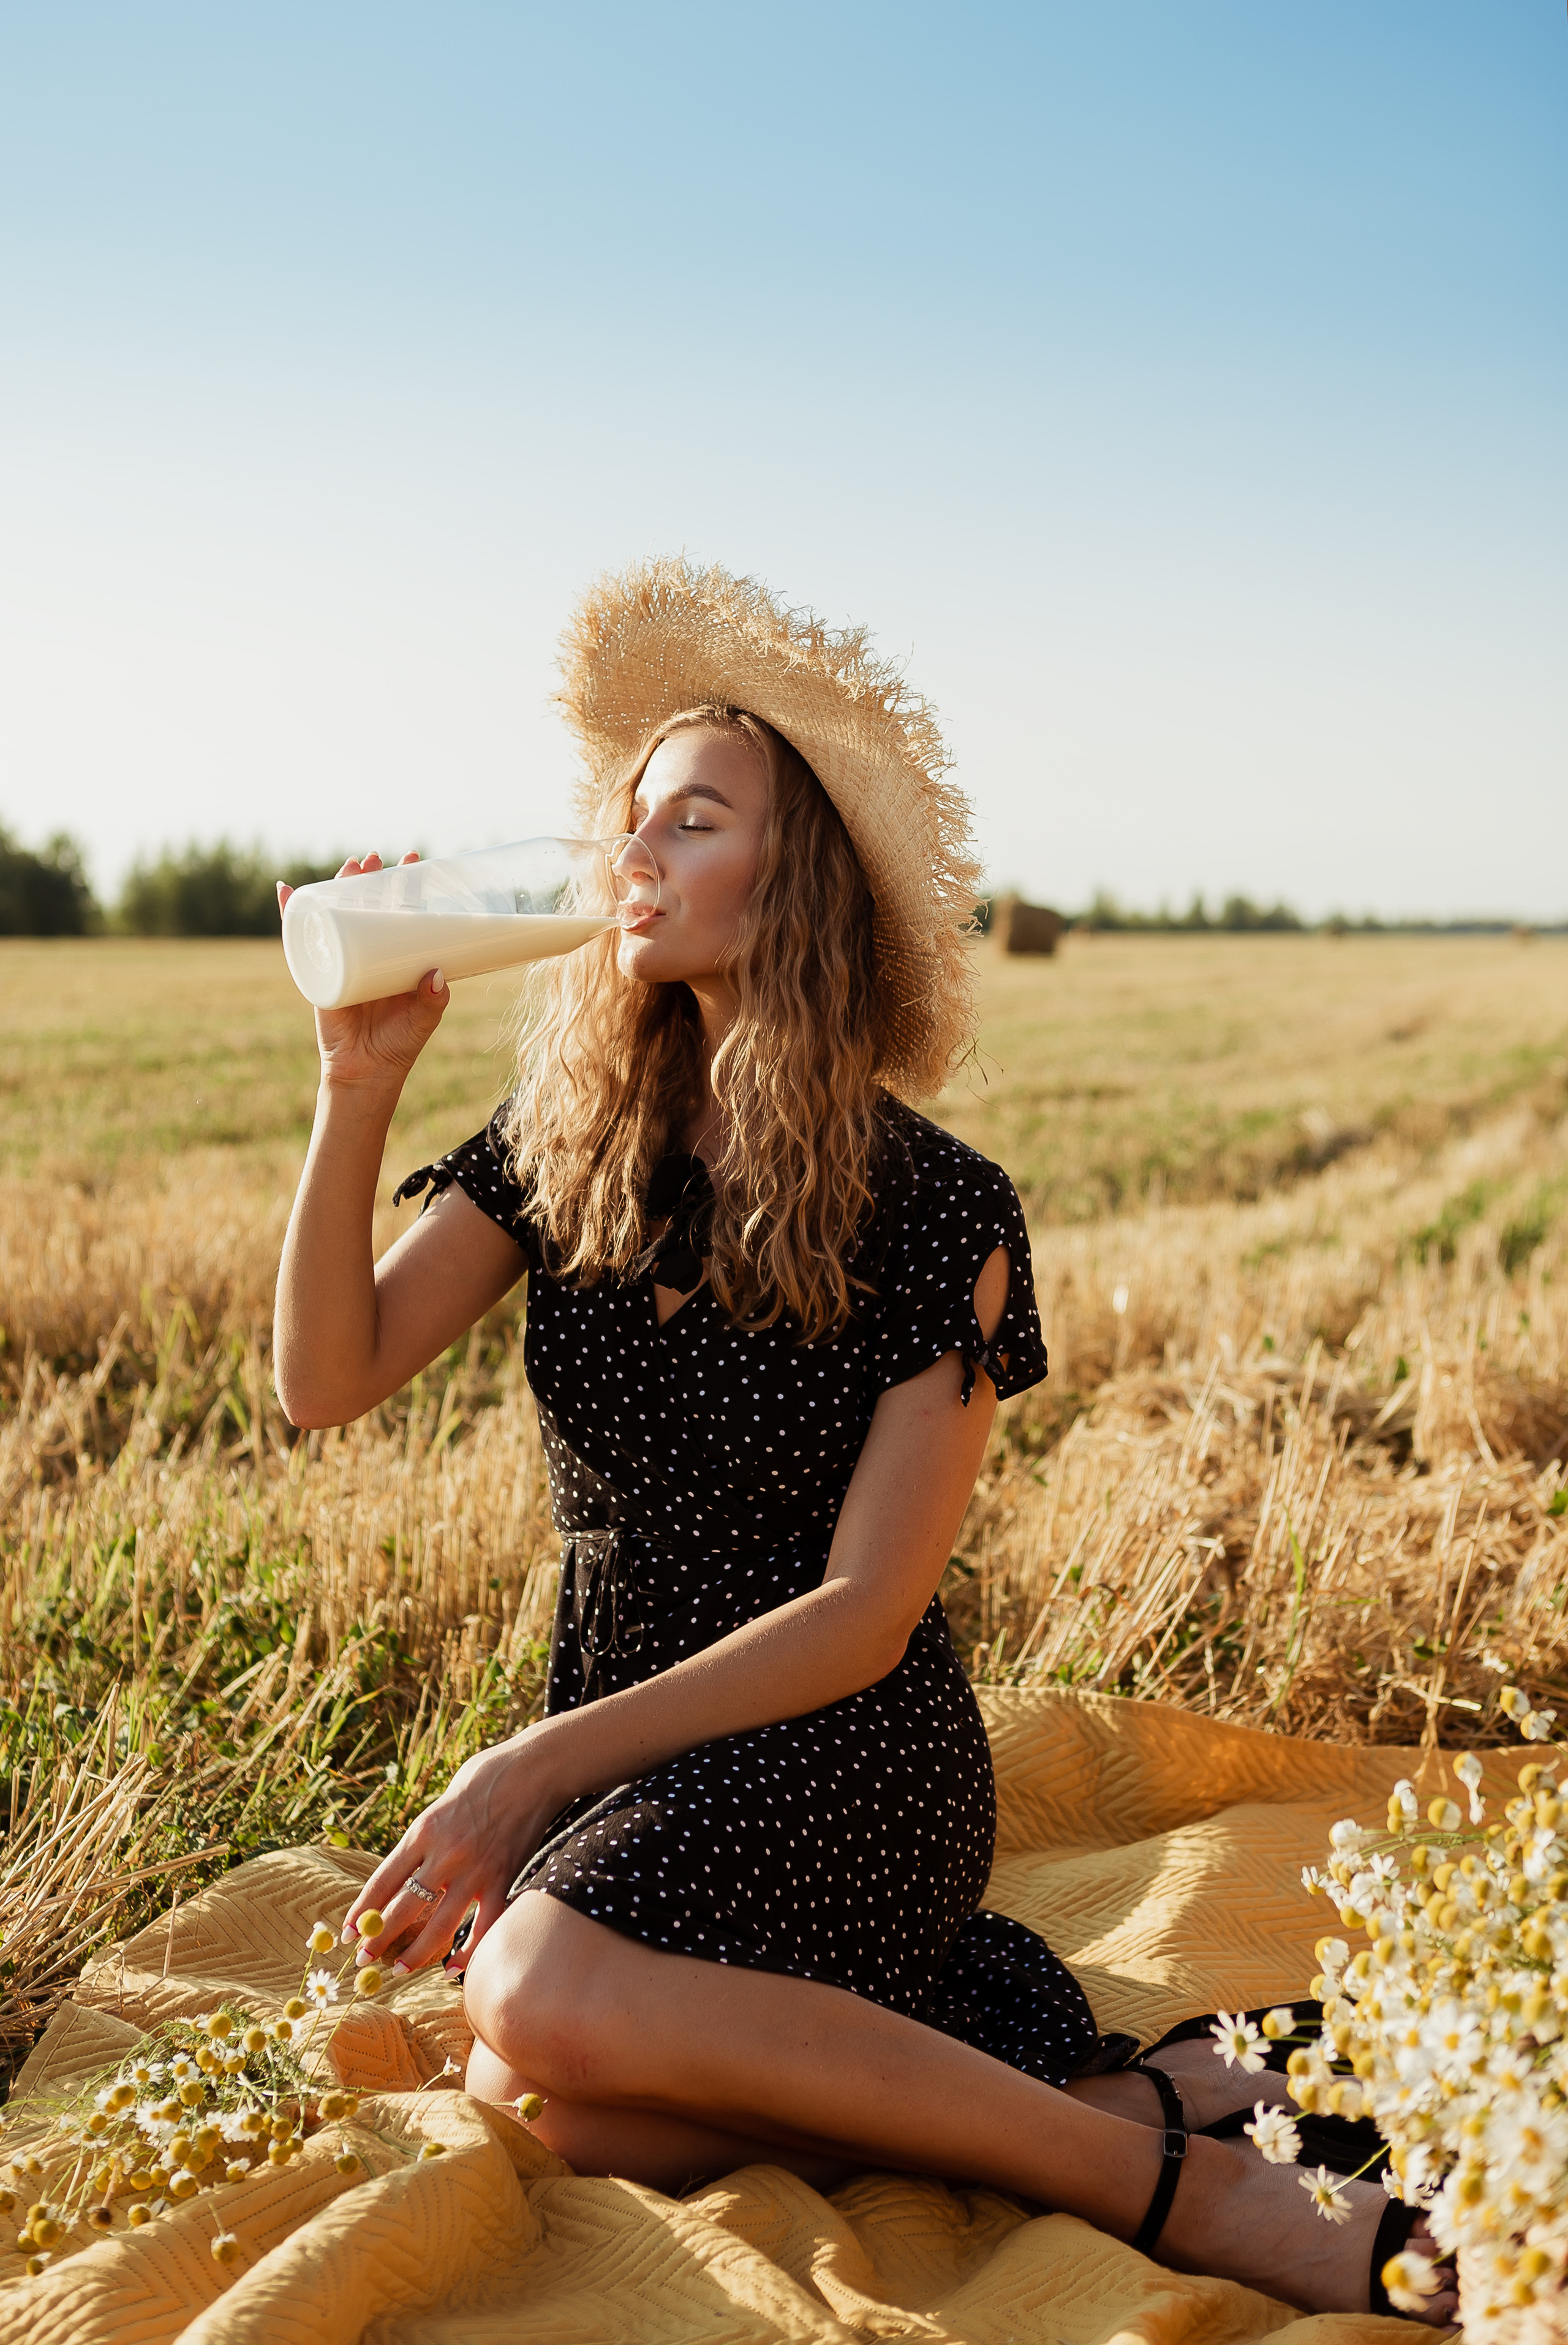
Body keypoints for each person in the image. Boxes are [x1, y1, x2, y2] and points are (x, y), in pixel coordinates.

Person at [274, 557, 1452, 2323]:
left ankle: (1178, 2186)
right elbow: (323, 1375)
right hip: (634, 1747)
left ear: (797, 870)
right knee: (544, 2089)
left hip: (841, 1750)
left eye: (694, 817)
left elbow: (866, 1614)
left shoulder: (941, 1209)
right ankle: (1108, 2101)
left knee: (531, 1998)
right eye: (632, 821)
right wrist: (354, 1083)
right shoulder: (565, 1140)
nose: (636, 857)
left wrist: (519, 1772)